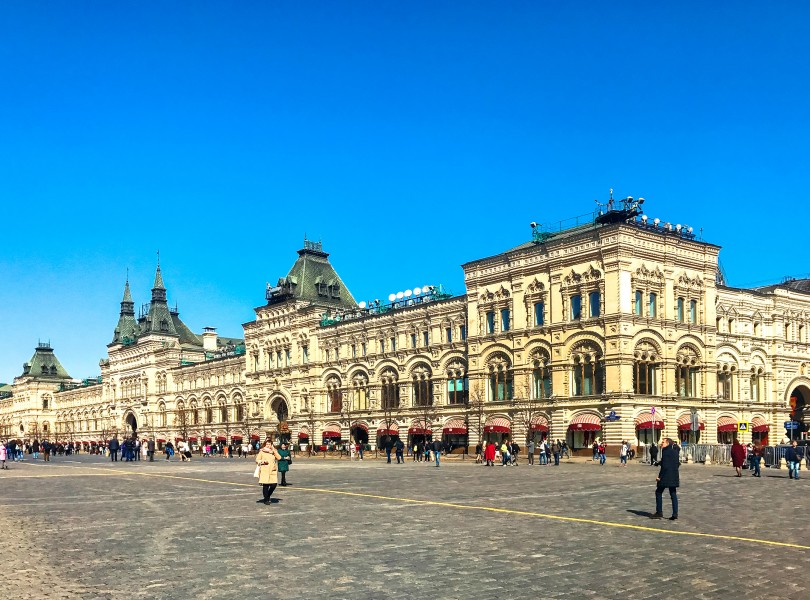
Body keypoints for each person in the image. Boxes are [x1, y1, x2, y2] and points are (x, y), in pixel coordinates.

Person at [650, 437, 680, 520]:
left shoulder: (665, 452)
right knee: (673, 494)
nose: (661, 444)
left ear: (667, 443)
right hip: (674, 475)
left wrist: (659, 477)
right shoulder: (675, 452)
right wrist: (659, 463)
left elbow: (665, 466)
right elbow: (676, 463)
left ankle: (659, 512)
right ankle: (675, 513)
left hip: (666, 476)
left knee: (658, 492)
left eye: (663, 442)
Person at [256, 439, 283, 504]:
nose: (268, 446)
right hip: (264, 470)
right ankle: (266, 499)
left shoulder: (274, 451)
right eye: (267, 444)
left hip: (272, 470)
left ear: (271, 445)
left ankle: (268, 496)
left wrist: (274, 451)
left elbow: (279, 458)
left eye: (269, 444)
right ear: (265, 444)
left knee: (274, 484)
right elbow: (257, 460)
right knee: (266, 485)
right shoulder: (262, 451)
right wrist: (263, 461)